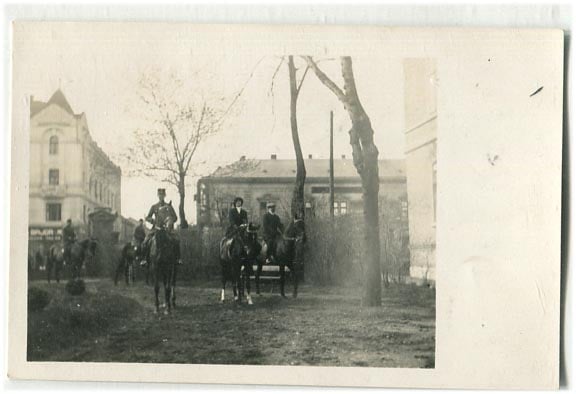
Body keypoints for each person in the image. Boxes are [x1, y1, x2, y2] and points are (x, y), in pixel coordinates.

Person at [141, 188, 180, 265]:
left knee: (176, 240)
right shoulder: (154, 206)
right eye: (160, 195)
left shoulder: (169, 206)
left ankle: (178, 259)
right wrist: (152, 220)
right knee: (146, 241)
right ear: (157, 195)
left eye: (162, 195)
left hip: (167, 230)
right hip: (156, 228)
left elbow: (175, 217)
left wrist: (170, 220)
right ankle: (144, 259)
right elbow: (148, 217)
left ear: (165, 195)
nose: (161, 196)